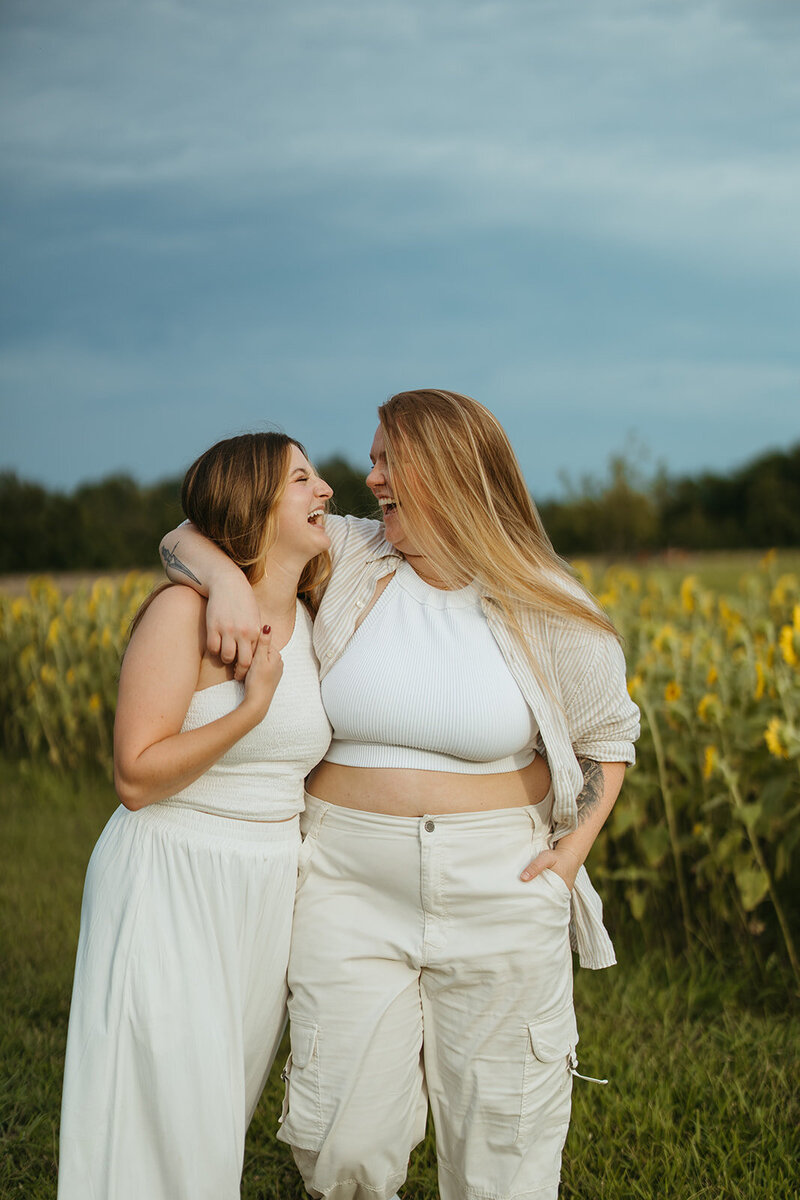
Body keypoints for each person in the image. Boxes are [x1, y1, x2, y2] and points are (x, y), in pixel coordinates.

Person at [160, 390, 640, 1200]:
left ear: (448, 470)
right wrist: (226, 585)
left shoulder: (548, 599)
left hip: (501, 885)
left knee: (504, 1142)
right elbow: (183, 536)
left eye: (388, 459)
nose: (368, 477)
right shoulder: (347, 555)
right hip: (348, 882)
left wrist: (570, 858)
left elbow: (607, 741)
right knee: (343, 1137)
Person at [57, 433, 334, 1200]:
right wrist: (253, 708)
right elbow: (136, 777)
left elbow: (179, 537)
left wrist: (225, 574)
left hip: (267, 889)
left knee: (216, 1120)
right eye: (304, 479)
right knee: (160, 1117)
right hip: (171, 875)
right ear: (254, 504)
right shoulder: (182, 614)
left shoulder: (319, 610)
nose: (328, 491)